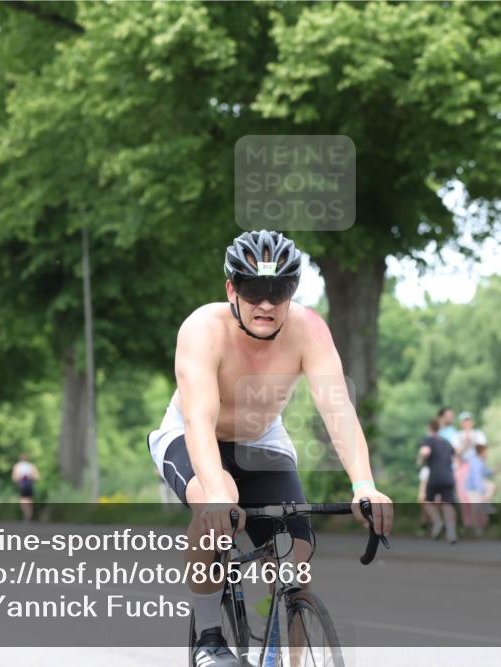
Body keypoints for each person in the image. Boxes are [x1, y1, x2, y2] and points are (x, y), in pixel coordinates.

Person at [145, 230, 393, 667]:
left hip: (261, 438)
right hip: (191, 435)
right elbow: (199, 419)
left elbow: (338, 412)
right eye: (253, 289)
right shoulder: (203, 329)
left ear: (291, 292)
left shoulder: (308, 330)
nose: (265, 303)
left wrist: (365, 484)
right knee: (213, 502)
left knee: (295, 556)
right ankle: (209, 636)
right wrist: (218, 497)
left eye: (277, 291)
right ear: (231, 289)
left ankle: (282, 659)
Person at [417, 419, 457, 543]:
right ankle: (451, 532)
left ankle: (437, 521)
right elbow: (454, 457)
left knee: (427, 501)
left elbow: (425, 452)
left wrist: (420, 459)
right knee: (447, 504)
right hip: (449, 476)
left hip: (435, 476)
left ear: (430, 428)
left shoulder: (428, 440)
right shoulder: (446, 442)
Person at [453, 411, 486, 526]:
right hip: (463, 466)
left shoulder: (478, 434)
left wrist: (471, 441)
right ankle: (468, 523)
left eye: (468, 420)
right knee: (464, 496)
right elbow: (456, 452)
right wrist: (466, 444)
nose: (467, 423)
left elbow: (482, 452)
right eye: (464, 421)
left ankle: (481, 523)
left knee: (478, 494)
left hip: (475, 466)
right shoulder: (457, 435)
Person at [464, 444, 497, 533]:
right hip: (473, 488)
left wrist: (492, 471)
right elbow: (476, 478)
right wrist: (481, 492)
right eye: (487, 452)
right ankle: (477, 529)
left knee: (491, 486)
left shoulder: (481, 461)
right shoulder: (475, 462)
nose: (488, 454)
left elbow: (484, 472)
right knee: (475, 508)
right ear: (482, 452)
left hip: (477, 486)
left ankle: (485, 503)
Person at [12, 453, 40, 521]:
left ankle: (26, 515)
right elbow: (37, 477)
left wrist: (19, 480)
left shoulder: (17, 466)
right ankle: (28, 516)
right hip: (30, 485)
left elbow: (14, 478)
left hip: (22, 485)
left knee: (23, 500)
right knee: (29, 500)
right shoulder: (31, 466)